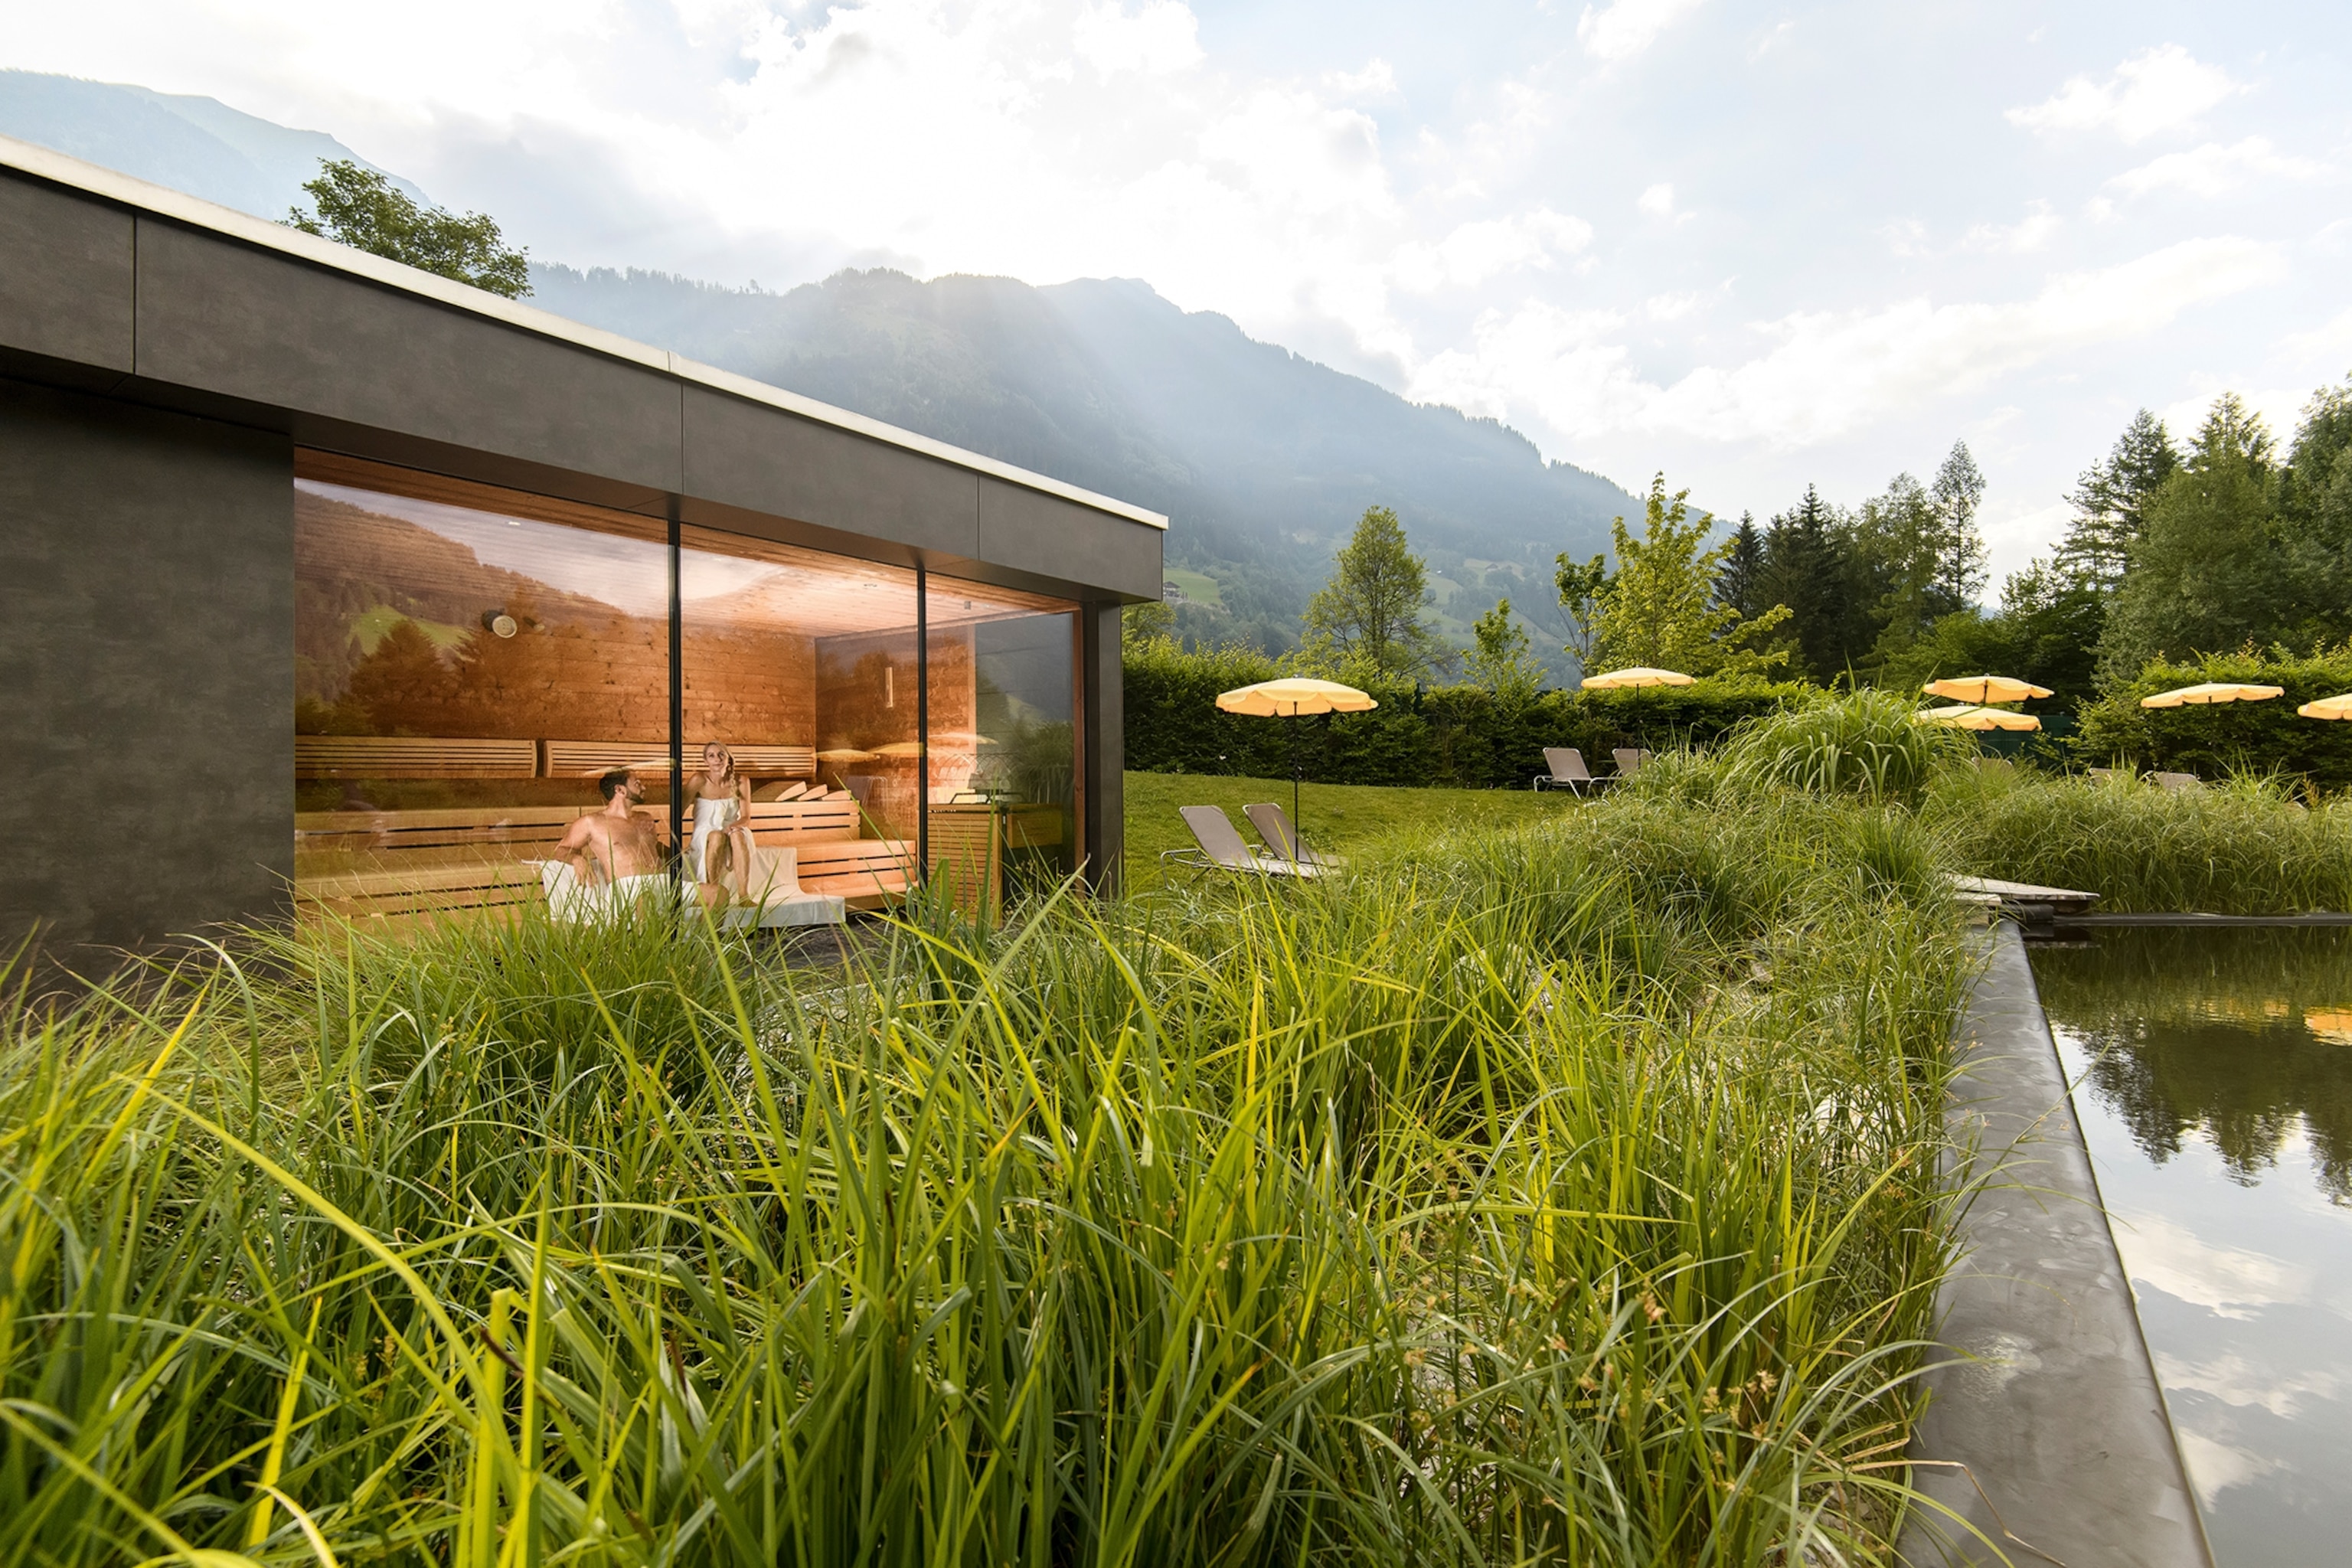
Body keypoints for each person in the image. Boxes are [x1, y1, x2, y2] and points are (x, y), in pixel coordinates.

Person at [554, 768, 668, 904]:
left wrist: (684, 853)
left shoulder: (645, 818)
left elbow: (653, 848)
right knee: (644, 899)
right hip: (629, 890)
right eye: (637, 783)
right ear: (620, 790)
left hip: (662, 884)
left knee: (701, 890)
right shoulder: (591, 822)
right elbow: (561, 850)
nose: (644, 787)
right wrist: (577, 859)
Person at [687, 741, 757, 900]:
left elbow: (746, 818)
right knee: (717, 836)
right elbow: (679, 808)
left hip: (733, 827)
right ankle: (714, 892)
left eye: (721, 755)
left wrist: (732, 827)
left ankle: (743, 896)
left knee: (738, 835)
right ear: (706, 761)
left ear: (728, 759)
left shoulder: (742, 781)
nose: (717, 759)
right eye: (711, 756)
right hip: (705, 830)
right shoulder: (699, 780)